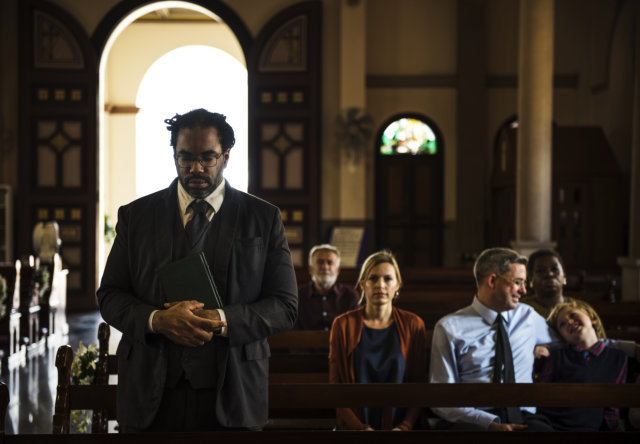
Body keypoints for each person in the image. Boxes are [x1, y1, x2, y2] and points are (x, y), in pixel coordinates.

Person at [97, 109, 298, 432]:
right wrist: (156, 320)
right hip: (151, 390)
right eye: (185, 158)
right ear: (174, 155)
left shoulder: (263, 218)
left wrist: (222, 320)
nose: (196, 168)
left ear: (227, 156)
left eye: (208, 158)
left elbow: (285, 307)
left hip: (234, 389)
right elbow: (109, 296)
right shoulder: (136, 217)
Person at [429, 247, 555, 431]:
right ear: (493, 280)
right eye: (518, 282)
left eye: (525, 283)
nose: (524, 291)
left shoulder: (528, 317)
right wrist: (487, 422)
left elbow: (571, 339)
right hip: (473, 418)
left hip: (523, 416)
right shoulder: (449, 328)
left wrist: (541, 346)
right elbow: (441, 398)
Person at [329, 250, 427, 430]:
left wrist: (405, 427)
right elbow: (336, 388)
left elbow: (420, 385)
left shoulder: (413, 324)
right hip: (355, 427)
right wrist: (360, 428)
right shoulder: (343, 325)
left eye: (388, 279)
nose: (380, 285)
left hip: (403, 427)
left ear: (397, 284)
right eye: (373, 278)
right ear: (363, 284)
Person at [536, 299, 627, 431]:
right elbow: (541, 394)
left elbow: (612, 406)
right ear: (562, 337)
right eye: (562, 324)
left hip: (591, 428)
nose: (570, 322)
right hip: (553, 426)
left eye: (572, 315)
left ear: (592, 318)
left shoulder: (618, 357)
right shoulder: (556, 356)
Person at [295, 244, 360, 330]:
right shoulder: (297, 297)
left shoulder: (351, 296)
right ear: (310, 269)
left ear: (338, 270)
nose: (325, 267)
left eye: (330, 263)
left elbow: (355, 331)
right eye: (320, 262)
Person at [521, 249, 575, 318]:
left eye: (554, 269)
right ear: (531, 279)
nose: (549, 274)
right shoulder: (521, 310)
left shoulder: (581, 309)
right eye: (541, 271)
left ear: (564, 275)